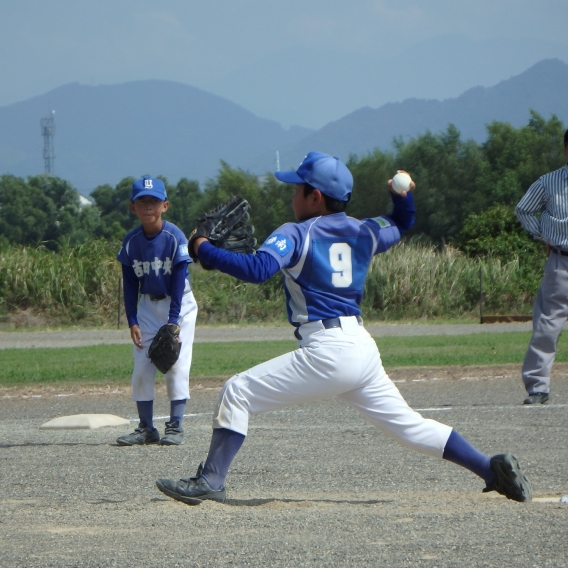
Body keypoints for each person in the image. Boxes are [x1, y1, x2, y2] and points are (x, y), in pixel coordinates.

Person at [156, 152, 532, 503]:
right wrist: (402, 199)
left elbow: (258, 270)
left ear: (315, 197)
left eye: (298, 189)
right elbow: (402, 223)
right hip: (361, 348)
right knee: (410, 427)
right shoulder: (365, 231)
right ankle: (490, 468)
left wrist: (202, 247)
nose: (293, 195)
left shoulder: (297, 232)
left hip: (328, 350)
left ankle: (210, 481)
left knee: (237, 391)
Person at [115, 176, 198, 446]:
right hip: (147, 307)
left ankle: (175, 425)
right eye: (142, 201)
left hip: (180, 305)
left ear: (165, 205)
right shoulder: (131, 242)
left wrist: (173, 322)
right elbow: (129, 284)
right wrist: (132, 320)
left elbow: (178, 280)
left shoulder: (175, 237)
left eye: (153, 201)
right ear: (133, 208)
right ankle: (146, 428)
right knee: (142, 365)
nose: (147, 206)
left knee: (176, 363)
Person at [515, 129, 568, 405]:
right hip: (561, 262)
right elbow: (524, 208)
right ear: (565, 150)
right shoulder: (549, 182)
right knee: (548, 324)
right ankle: (538, 387)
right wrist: (543, 236)